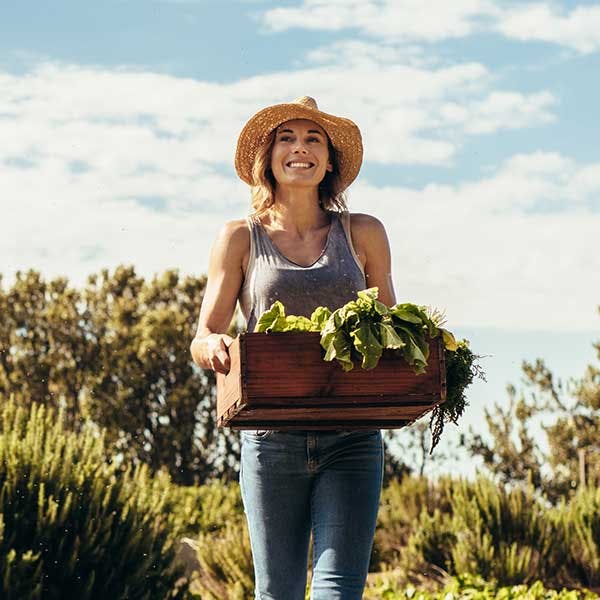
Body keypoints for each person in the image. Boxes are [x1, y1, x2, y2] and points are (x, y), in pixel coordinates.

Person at [190, 96, 396, 600]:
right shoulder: (239, 237)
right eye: (287, 138)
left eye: (313, 140)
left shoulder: (363, 233)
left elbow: (392, 328)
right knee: (277, 592)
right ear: (268, 157)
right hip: (269, 439)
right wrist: (214, 344)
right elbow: (203, 335)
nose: (299, 149)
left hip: (352, 438)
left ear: (329, 161)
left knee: (337, 590)